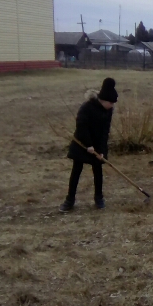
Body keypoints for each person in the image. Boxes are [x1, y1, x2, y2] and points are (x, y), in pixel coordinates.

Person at [60, 77, 117, 212]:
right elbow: (81, 126)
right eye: (111, 103)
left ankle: (99, 198)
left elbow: (105, 131)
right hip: (81, 143)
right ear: (103, 100)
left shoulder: (108, 110)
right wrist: (88, 145)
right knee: (76, 171)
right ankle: (69, 200)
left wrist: (102, 150)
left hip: (97, 145)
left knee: (98, 171)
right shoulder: (87, 107)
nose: (112, 105)